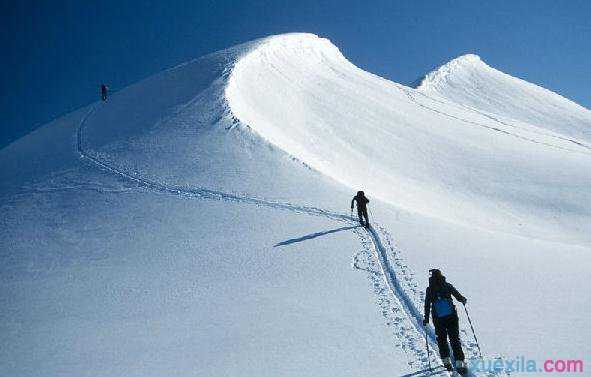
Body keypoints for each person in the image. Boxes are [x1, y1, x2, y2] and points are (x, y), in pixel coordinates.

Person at [423, 269, 468, 374]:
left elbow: (427, 304)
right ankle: (460, 363)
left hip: (438, 318)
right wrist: (463, 300)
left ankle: (447, 362)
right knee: (454, 339)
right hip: (451, 316)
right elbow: (459, 297)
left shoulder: (430, 289)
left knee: (442, 339)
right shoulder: (447, 285)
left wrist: (426, 318)